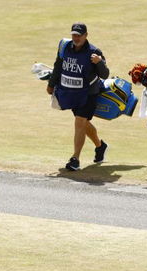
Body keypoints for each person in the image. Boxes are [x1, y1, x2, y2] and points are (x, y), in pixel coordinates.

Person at [47, 22, 110, 171]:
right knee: (84, 124)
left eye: (79, 35)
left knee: (80, 122)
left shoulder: (94, 52)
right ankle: (100, 146)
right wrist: (51, 84)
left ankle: (75, 158)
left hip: (88, 94)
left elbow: (104, 74)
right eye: (74, 35)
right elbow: (58, 66)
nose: (76, 38)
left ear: (86, 35)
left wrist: (99, 62)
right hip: (71, 93)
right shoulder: (65, 47)